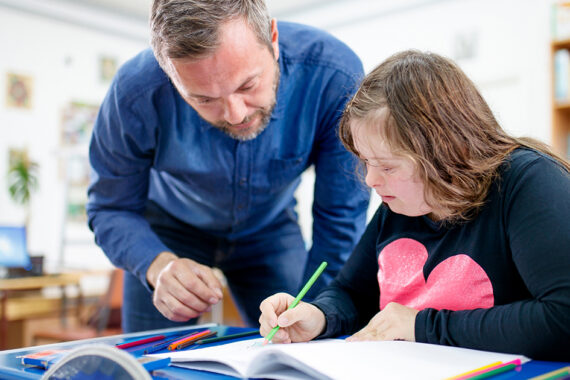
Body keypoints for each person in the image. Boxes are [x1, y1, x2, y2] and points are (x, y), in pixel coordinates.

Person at [259, 50, 570, 360]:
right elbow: (352, 293)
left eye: (387, 166)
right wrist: (320, 315)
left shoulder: (527, 182)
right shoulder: (400, 207)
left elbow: (563, 318)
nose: (370, 180)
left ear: (445, 151)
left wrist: (421, 325)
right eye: (366, 162)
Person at [86, 0, 370, 332]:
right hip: (167, 232)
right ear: (169, 75)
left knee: (302, 343)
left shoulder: (334, 77)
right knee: (148, 363)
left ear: (273, 38)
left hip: (270, 229)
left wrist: (320, 313)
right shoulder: (134, 93)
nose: (236, 115)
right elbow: (110, 207)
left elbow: (341, 216)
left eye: (247, 85)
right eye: (203, 99)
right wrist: (156, 264)